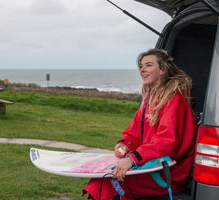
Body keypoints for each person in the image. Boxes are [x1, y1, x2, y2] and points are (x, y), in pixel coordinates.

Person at [83, 49, 198, 200]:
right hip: (149, 166)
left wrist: (132, 159)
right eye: (141, 66)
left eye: (148, 65)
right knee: (102, 179)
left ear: (162, 70)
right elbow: (133, 132)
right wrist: (124, 145)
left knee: (105, 183)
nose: (142, 70)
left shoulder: (174, 99)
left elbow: (166, 143)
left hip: (168, 175)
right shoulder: (150, 97)